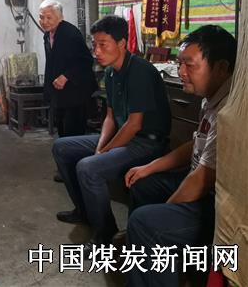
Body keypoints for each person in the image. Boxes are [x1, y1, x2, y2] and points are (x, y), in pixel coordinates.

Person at [125, 25, 236, 287]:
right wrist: (150, 167)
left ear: (221, 68)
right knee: (142, 182)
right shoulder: (210, 97)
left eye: (190, 65)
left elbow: (201, 180)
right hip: (197, 181)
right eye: (179, 64)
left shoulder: (229, 111)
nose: (181, 72)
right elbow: (196, 145)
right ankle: (147, 258)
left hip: (215, 204)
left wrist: (163, 212)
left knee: (146, 222)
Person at [52, 15, 171, 250]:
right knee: (61, 147)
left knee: (88, 168)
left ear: (122, 43)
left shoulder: (139, 71)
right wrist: (100, 148)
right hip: (126, 138)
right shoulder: (110, 72)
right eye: (94, 45)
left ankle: (105, 236)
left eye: (103, 44)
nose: (96, 51)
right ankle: (84, 212)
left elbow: (134, 125)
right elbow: (110, 117)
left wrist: (105, 150)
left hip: (146, 143)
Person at [39, 0, 97, 139]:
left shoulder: (70, 34)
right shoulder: (48, 35)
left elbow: (86, 61)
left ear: (60, 18)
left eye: (49, 17)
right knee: (62, 131)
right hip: (60, 93)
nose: (44, 21)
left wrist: (66, 76)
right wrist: (48, 91)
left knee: (74, 133)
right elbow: (51, 64)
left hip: (76, 92)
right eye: (41, 17)